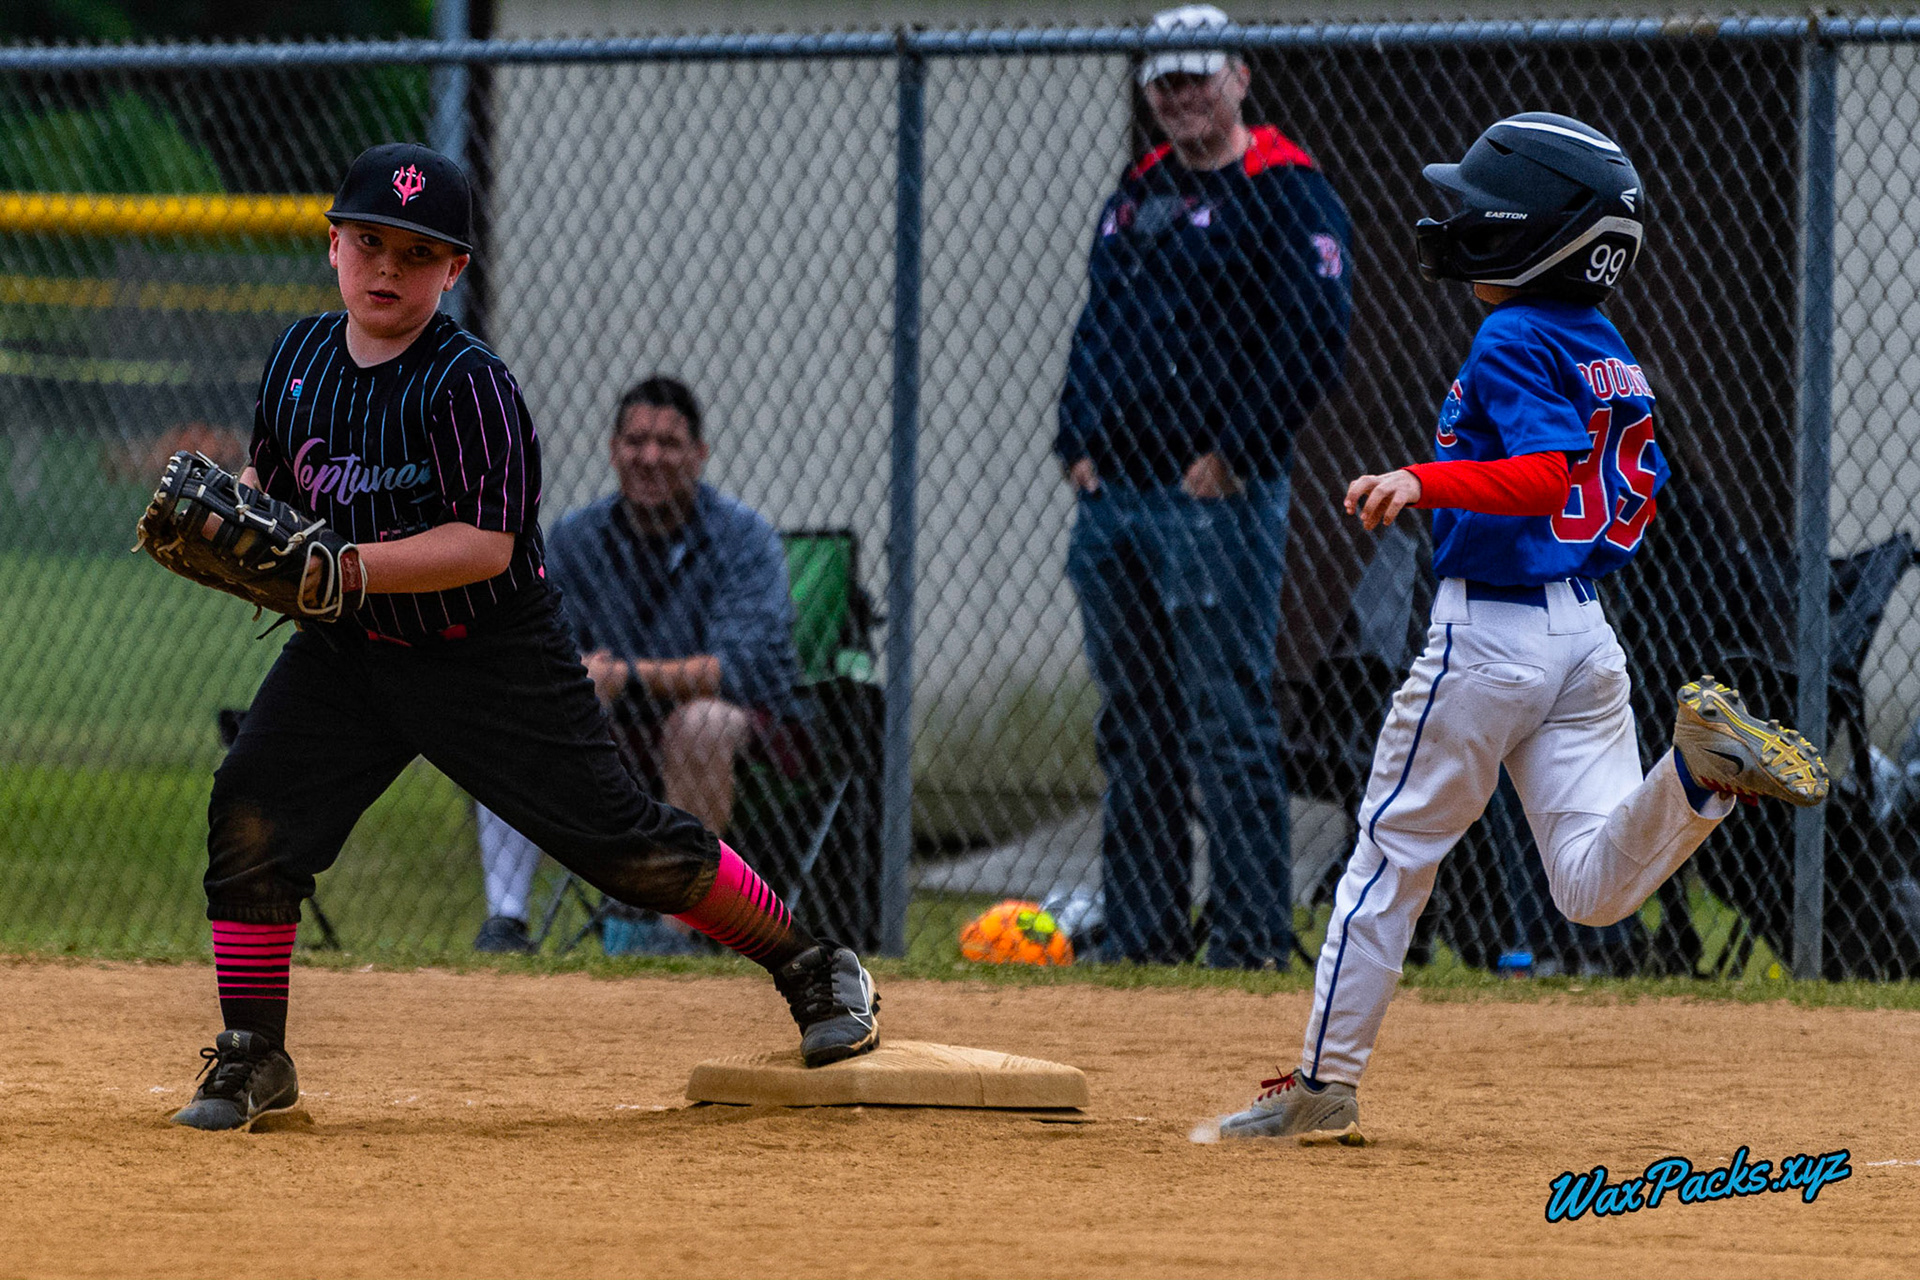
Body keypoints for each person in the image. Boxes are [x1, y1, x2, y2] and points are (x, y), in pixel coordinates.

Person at [170, 143, 878, 1132]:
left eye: (417, 254)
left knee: (626, 848)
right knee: (251, 811)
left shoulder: (468, 386)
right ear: (333, 245)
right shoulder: (297, 364)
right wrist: (237, 517)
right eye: (369, 242)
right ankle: (254, 1050)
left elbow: (485, 541)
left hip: (484, 651)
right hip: (348, 650)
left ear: (453, 271)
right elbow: (280, 495)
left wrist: (356, 565)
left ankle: (814, 962)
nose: (387, 267)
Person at [1213, 113, 1828, 1144]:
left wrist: (1420, 478)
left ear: (1528, 231)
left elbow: (1546, 476)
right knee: (1590, 884)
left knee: (1388, 853)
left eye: (1474, 205)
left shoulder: (1511, 332)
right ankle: (1697, 778)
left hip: (1489, 636)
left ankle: (1321, 1081)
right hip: (1585, 639)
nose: (1456, 219)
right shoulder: (1608, 348)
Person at [1055, 4, 1352, 968]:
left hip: (1213, 500)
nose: (1182, 96)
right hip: (1118, 500)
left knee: (1226, 716)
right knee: (1133, 723)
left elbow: (1315, 335)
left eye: (1197, 77)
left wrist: (1236, 451)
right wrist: (1076, 442)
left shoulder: (1287, 189)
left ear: (1238, 78)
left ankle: (1249, 934)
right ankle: (1140, 933)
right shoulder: (1140, 191)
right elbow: (1097, 323)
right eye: (1165, 83)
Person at [473, 376, 806, 956]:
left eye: (669, 444)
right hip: (611, 727)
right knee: (514, 710)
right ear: (612, 449)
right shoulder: (576, 537)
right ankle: (507, 922)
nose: (649, 457)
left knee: (699, 723)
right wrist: (575, 675)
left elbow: (736, 668)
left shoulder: (744, 538)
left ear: (700, 455)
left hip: (742, 727)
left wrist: (622, 677)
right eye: (635, 441)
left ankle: (677, 935)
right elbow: (539, 645)